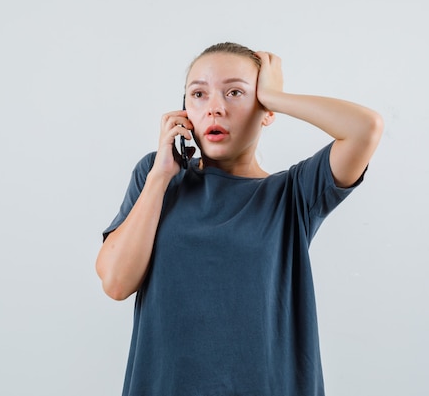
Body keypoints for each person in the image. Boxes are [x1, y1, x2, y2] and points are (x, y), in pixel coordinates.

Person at [95, 42, 383, 396]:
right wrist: (160, 177)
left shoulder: (293, 193)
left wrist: (275, 96)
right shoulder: (156, 176)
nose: (215, 108)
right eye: (198, 94)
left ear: (266, 110)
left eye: (235, 93)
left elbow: (366, 128)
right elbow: (116, 283)